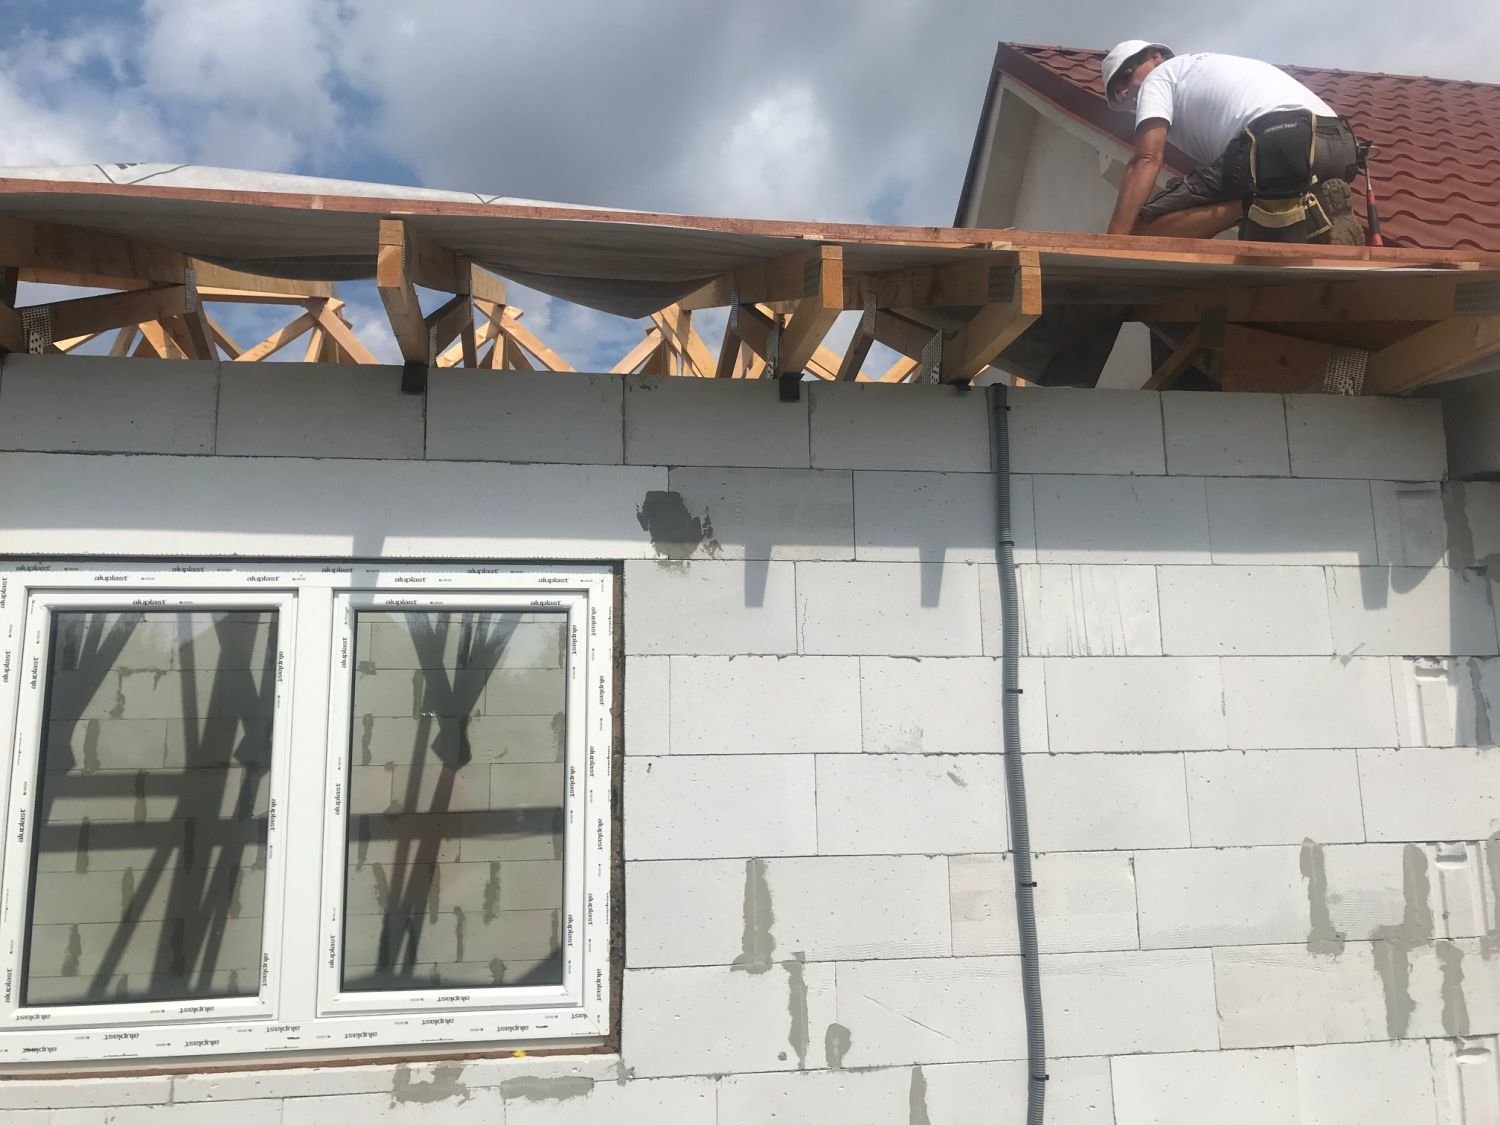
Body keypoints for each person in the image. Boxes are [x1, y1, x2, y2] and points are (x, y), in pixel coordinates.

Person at [1101, 40, 1364, 244]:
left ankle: (1261, 205)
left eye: (1126, 76)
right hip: (1339, 145)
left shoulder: (1158, 78)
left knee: (1143, 230)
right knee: (1268, 242)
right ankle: (1310, 211)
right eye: (1117, 93)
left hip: (1275, 141)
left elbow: (1146, 159)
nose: (1124, 90)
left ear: (1155, 57)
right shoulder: (1201, 72)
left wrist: (1112, 243)